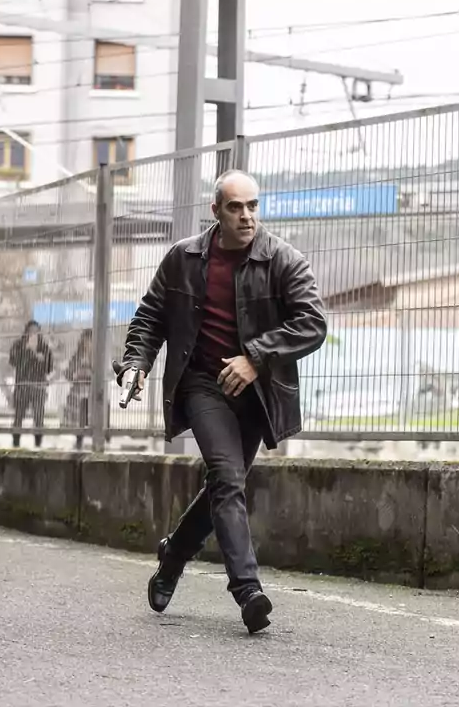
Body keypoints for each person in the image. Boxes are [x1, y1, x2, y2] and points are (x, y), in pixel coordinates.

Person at [119, 171, 327, 634]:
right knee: (227, 477)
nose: (247, 215)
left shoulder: (283, 260)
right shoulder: (184, 258)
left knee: (222, 486)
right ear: (216, 211)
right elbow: (150, 315)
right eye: (236, 207)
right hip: (201, 384)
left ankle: (172, 555)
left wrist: (255, 357)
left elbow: (312, 323)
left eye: (253, 206)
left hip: (255, 394)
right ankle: (247, 591)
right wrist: (136, 363)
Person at [8, 320, 54, 448]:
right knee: (18, 416)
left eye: (36, 331)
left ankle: (38, 443)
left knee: (39, 417)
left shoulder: (44, 347)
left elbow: (49, 368)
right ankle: (15, 442)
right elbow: (12, 361)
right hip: (22, 385)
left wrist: (42, 359)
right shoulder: (19, 345)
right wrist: (27, 350)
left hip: (38, 386)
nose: (33, 334)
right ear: (26, 332)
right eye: (31, 331)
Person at [64, 329, 94, 450]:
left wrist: (90, 374)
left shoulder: (97, 356)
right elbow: (67, 373)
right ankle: (79, 441)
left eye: (89, 341)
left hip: (91, 390)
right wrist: (74, 375)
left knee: (89, 417)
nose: (86, 343)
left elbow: (103, 373)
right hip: (78, 391)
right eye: (85, 340)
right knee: (79, 418)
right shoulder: (77, 356)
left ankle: (96, 439)